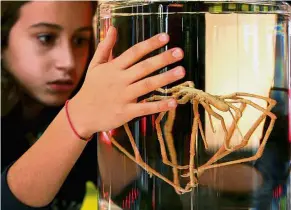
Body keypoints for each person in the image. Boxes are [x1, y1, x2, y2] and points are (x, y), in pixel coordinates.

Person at [1, 1, 185, 210]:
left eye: (80, 40)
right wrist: (78, 118)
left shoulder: (62, 117)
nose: (68, 61)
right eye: (46, 38)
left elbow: (136, 187)